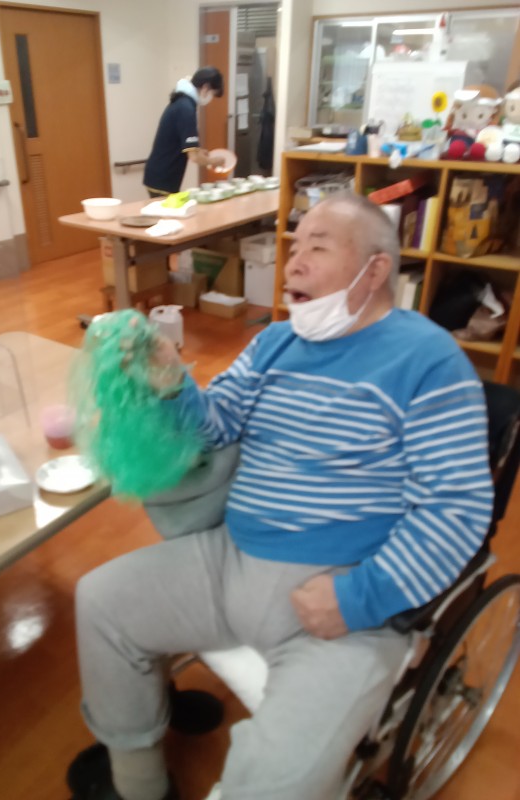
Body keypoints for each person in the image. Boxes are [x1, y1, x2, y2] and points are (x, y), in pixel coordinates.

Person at [72, 193, 494, 800]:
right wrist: (169, 379)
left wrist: (357, 598)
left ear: (376, 269)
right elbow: (214, 426)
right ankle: (139, 785)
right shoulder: (274, 343)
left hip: (343, 598)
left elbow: (455, 507)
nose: (293, 261)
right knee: (100, 602)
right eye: (295, 245)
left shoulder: (429, 360)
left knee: (277, 782)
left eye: (317, 246)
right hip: (230, 559)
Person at [143, 66, 225, 198]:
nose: (210, 99)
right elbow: (194, 157)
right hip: (163, 178)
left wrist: (199, 150)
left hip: (159, 174)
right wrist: (214, 161)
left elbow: (180, 142)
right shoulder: (186, 109)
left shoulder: (182, 102)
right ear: (205, 87)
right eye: (212, 94)